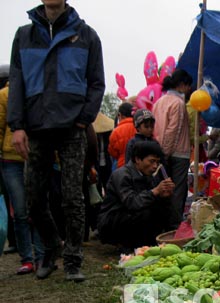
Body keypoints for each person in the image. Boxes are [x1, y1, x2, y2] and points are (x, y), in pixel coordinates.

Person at [8, 0, 105, 281]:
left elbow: (97, 82)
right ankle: (51, 247)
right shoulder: (24, 35)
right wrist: (17, 126)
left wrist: (84, 117)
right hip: (36, 128)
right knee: (33, 199)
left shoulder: (87, 35)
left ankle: (73, 259)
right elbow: (17, 80)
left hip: (72, 128)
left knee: (73, 197)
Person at [0, 63, 44, 274]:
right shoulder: (4, 96)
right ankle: (28, 258)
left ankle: (42, 254)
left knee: (36, 208)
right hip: (10, 159)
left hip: (35, 156)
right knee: (21, 211)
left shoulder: (38, 92)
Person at [97, 141, 175, 253]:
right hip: (113, 220)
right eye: (152, 161)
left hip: (129, 216)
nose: (155, 166)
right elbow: (132, 203)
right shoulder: (122, 175)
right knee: (144, 212)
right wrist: (155, 191)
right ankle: (128, 244)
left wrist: (164, 196)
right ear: (138, 159)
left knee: (162, 209)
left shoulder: (148, 175)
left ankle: (147, 244)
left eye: (157, 162)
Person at [152, 69, 193, 230]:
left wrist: (160, 153)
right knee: (177, 192)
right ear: (182, 85)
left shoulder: (159, 102)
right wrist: (166, 153)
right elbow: (173, 130)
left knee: (163, 190)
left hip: (161, 150)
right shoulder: (178, 103)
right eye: (188, 86)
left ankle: (162, 224)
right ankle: (174, 227)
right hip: (177, 153)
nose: (189, 90)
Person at [108, 102, 135, 168]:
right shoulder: (139, 127)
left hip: (122, 165)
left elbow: (112, 152)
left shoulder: (116, 131)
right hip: (138, 165)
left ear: (120, 115)